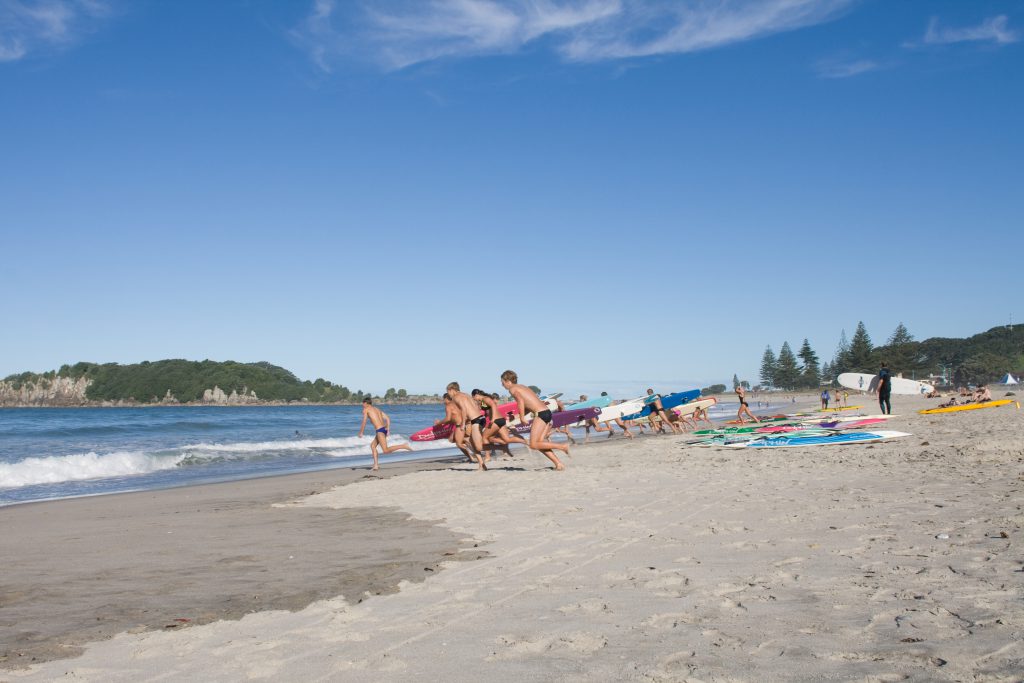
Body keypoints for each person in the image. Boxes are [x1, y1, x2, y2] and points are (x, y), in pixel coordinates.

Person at [500, 370, 568, 470]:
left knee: (533, 444)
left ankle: (562, 446)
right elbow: (529, 405)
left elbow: (520, 402)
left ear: (507, 381)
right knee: (539, 444)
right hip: (546, 412)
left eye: (502, 382)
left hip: (541, 414)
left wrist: (522, 417)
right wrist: (519, 417)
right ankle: (558, 464)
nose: (502, 385)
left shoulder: (512, 389)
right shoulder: (522, 386)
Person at [358, 398, 412, 470]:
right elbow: (387, 418)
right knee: (373, 446)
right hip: (383, 430)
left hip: (380, 431)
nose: (362, 405)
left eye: (363, 403)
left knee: (385, 451)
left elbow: (364, 421)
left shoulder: (366, 410)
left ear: (366, 403)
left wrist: (361, 432)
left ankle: (403, 446)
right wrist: (388, 429)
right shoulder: (377, 409)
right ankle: (376, 465)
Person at [473, 389, 529, 457]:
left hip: (496, 421)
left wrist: (493, 418)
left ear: (476, 395)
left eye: (473, 397)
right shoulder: (483, 401)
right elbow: (486, 410)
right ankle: (525, 441)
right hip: (501, 420)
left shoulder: (485, 398)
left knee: (484, 438)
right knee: (506, 439)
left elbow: (493, 405)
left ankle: (491, 454)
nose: (474, 399)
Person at [446, 382, 487, 470]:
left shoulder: (456, 397)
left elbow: (464, 409)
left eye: (448, 392)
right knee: (472, 442)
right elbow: (477, 405)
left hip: (476, 421)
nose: (448, 394)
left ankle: (500, 446)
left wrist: (463, 423)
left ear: (451, 390)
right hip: (480, 418)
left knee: (478, 445)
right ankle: (482, 464)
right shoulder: (466, 395)